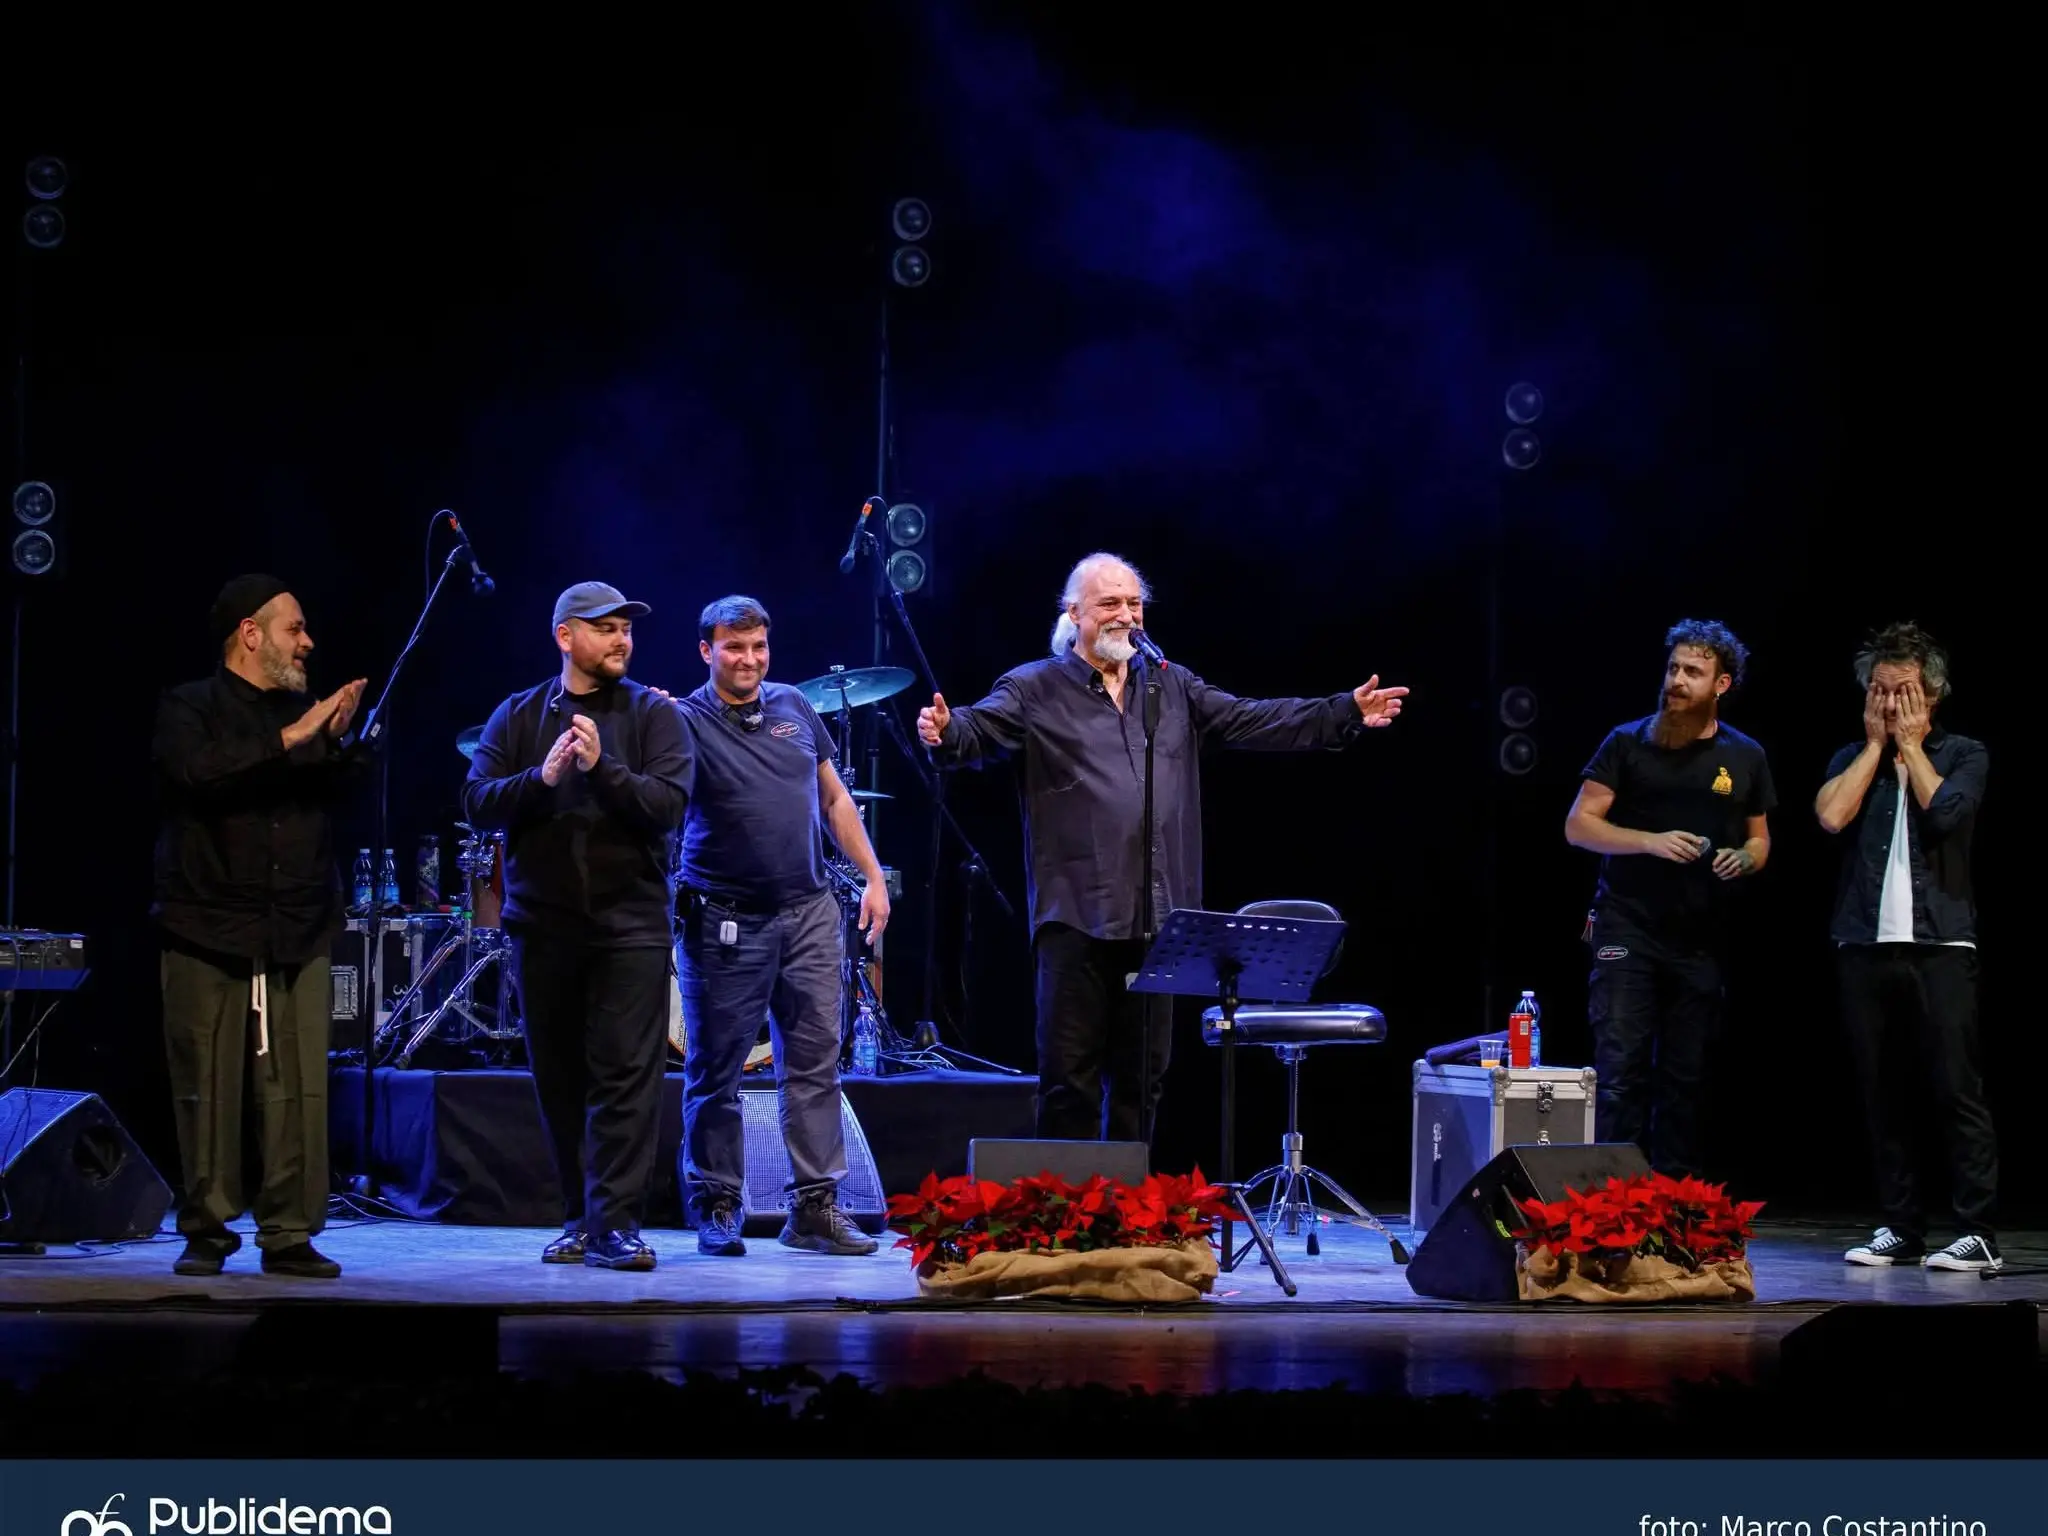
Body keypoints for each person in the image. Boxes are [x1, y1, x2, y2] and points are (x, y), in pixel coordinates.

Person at [917, 552, 1408, 1146]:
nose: (1125, 615)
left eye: (1133, 603)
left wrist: (1342, 713)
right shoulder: (1034, 688)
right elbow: (976, 730)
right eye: (1109, 604)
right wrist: (946, 732)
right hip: (1076, 916)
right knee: (1069, 1081)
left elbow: (1253, 720)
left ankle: (1127, 1218)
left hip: (1159, 922)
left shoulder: (1172, 687)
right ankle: (1062, 1217)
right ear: (1074, 614)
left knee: (1142, 1081)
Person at [462, 582, 689, 1271]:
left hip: (631, 926)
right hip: (544, 928)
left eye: (626, 628)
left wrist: (603, 768)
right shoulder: (519, 714)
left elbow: (669, 805)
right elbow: (477, 802)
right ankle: (578, 1219)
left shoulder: (654, 715)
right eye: (606, 628)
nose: (622, 639)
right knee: (560, 1079)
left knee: (626, 1078)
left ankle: (616, 1224)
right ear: (566, 636)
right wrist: (544, 776)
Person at [152, 574, 367, 1279]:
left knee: (298, 1085)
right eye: (293, 629)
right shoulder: (190, 707)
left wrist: (338, 742)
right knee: (204, 1084)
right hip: (207, 920)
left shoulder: (308, 714)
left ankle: (290, 1232)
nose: (308, 642)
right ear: (250, 633)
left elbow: (340, 793)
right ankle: (208, 1229)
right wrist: (298, 733)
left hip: (298, 922)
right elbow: (198, 776)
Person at [673, 595, 889, 1257]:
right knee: (716, 1071)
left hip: (808, 914)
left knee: (816, 1067)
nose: (748, 660)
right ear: (707, 650)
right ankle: (717, 1203)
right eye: (733, 648)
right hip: (723, 919)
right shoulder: (683, 720)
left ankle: (814, 1210)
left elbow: (832, 796)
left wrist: (874, 876)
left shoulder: (795, 706)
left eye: (758, 647)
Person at [1815, 623, 1998, 1272]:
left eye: (1906, 692)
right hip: (1864, 943)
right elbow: (1831, 816)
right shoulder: (1849, 757)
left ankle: (1976, 1230)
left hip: (1942, 944)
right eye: (1881, 692)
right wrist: (1874, 748)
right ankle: (1902, 1225)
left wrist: (1914, 749)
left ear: (1934, 695)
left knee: (1955, 1089)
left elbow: (1946, 814)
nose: (1892, 706)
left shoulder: (1963, 754)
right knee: (1882, 1090)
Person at [1564, 619, 1775, 1178]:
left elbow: (1759, 839)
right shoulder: (1626, 742)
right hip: (1626, 928)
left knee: (1685, 1079)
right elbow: (1579, 826)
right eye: (1673, 667)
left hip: (1700, 937)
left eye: (1693, 672)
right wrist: (1650, 843)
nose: (1677, 680)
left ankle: (1672, 1209)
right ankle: (1610, 1207)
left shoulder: (1745, 756)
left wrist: (1746, 859)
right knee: (1620, 1072)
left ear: (1721, 685)